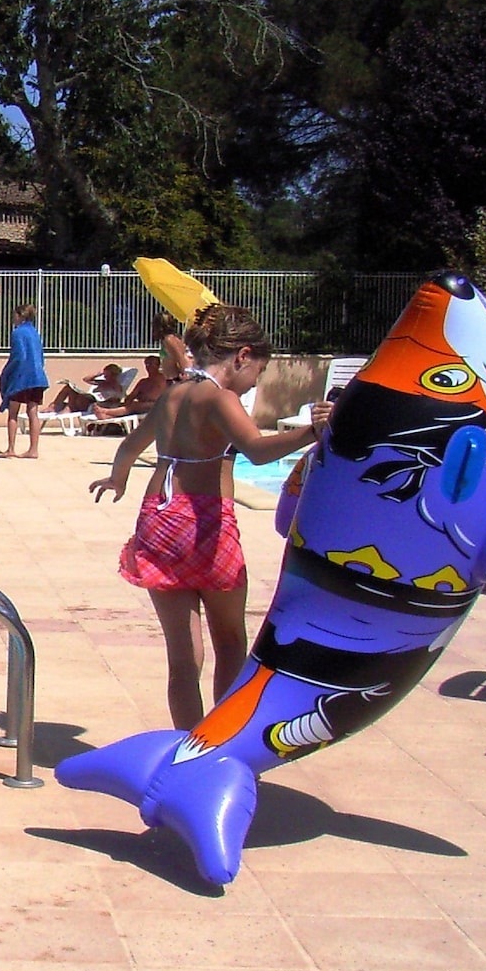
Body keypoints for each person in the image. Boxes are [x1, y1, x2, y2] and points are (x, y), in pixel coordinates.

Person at [90, 305, 331, 730]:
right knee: (230, 641)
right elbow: (257, 451)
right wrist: (310, 433)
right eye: (258, 371)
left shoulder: (172, 394)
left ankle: (188, 746)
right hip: (205, 523)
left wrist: (117, 480)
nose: (256, 381)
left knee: (184, 659)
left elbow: (130, 447)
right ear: (241, 356)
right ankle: (220, 743)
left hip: (159, 521)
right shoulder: (221, 398)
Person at [0, 303, 48, 459]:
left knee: (13, 413)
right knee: (33, 412)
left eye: (15, 315)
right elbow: (40, 356)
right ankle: (33, 449)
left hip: (21, 377)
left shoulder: (18, 333)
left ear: (20, 316)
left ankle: (11, 448)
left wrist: (6, 374)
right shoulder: (35, 333)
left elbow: (18, 356)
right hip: (38, 377)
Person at [87, 355, 168, 422]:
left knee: (133, 406)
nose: (148, 367)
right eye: (146, 364)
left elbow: (159, 395)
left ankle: (105, 411)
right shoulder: (143, 382)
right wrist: (128, 400)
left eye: (151, 364)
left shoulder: (163, 379)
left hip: (155, 405)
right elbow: (132, 395)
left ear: (158, 366)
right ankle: (107, 417)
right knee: (126, 406)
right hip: (141, 405)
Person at [49, 363, 123, 415]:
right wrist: (97, 374)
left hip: (93, 406)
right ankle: (54, 406)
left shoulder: (117, 387)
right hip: (86, 403)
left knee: (76, 394)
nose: (105, 377)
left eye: (107, 376)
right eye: (104, 375)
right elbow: (86, 379)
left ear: (114, 375)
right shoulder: (102, 383)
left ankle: (68, 408)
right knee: (69, 387)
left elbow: (116, 399)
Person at [153, 310, 191, 378]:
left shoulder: (169, 340)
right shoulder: (171, 339)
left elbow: (181, 358)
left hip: (173, 379)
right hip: (171, 378)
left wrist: (186, 375)